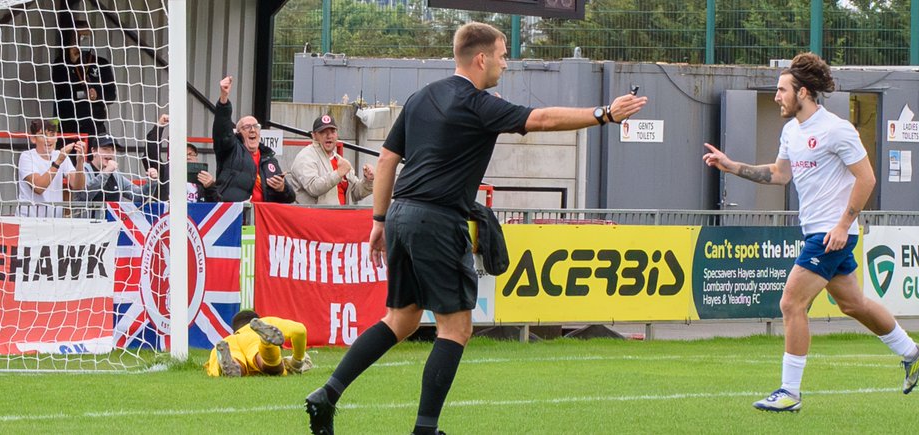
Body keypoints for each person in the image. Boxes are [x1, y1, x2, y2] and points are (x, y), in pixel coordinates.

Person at [304, 22, 647, 435]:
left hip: (401, 215)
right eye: (503, 54)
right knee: (456, 328)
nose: (506, 62)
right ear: (481, 58)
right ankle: (425, 430)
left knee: (402, 320)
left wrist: (379, 219)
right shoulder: (477, 103)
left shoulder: (421, 97)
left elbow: (388, 160)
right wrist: (603, 113)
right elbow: (541, 119)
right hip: (437, 219)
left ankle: (327, 394)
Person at [701, 52, 919, 412]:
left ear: (804, 92)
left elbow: (866, 178)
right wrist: (732, 167)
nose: (777, 96)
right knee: (852, 303)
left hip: (830, 233)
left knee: (791, 303)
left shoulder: (837, 129)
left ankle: (790, 393)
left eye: (782, 90)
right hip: (821, 231)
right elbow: (779, 175)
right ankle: (911, 351)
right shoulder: (791, 131)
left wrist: (843, 225)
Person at [212, 76, 295, 204]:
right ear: (238, 133)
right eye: (246, 127)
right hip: (235, 215)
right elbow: (222, 129)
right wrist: (224, 99)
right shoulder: (230, 150)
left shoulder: (269, 159)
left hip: (262, 218)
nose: (252, 130)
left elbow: (290, 198)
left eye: (256, 126)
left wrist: (282, 188)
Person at [290, 114, 374, 205]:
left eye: (332, 131)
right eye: (323, 132)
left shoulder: (340, 160)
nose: (329, 136)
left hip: (342, 216)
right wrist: (338, 174)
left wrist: (368, 180)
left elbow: (354, 194)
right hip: (314, 217)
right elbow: (313, 188)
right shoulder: (305, 156)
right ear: (314, 136)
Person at [52, 20, 117, 140]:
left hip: (93, 127)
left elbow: (111, 95)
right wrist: (71, 62)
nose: (83, 40)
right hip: (67, 126)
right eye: (79, 37)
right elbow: (61, 90)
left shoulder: (101, 63)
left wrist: (97, 95)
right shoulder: (60, 62)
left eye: (86, 37)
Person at [205, 310, 313, 377]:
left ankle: (233, 364)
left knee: (235, 362)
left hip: (228, 344)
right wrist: (297, 362)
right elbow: (299, 330)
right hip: (253, 338)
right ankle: (267, 344)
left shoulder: (227, 341)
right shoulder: (266, 322)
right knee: (264, 360)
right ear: (258, 321)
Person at [17, 119, 86, 217]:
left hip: (54, 221)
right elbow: (38, 188)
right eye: (43, 135)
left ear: (57, 138)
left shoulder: (59, 155)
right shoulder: (26, 156)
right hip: (29, 221)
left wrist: (80, 161)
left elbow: (78, 187)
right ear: (33, 138)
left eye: (52, 135)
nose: (48, 139)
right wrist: (58, 162)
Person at [74, 135, 158, 204]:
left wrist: (151, 182)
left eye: (113, 150)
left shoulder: (115, 175)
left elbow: (138, 197)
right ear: (93, 151)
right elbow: (83, 195)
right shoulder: (83, 169)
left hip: (112, 223)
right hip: (87, 223)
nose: (109, 153)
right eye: (105, 149)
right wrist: (106, 173)